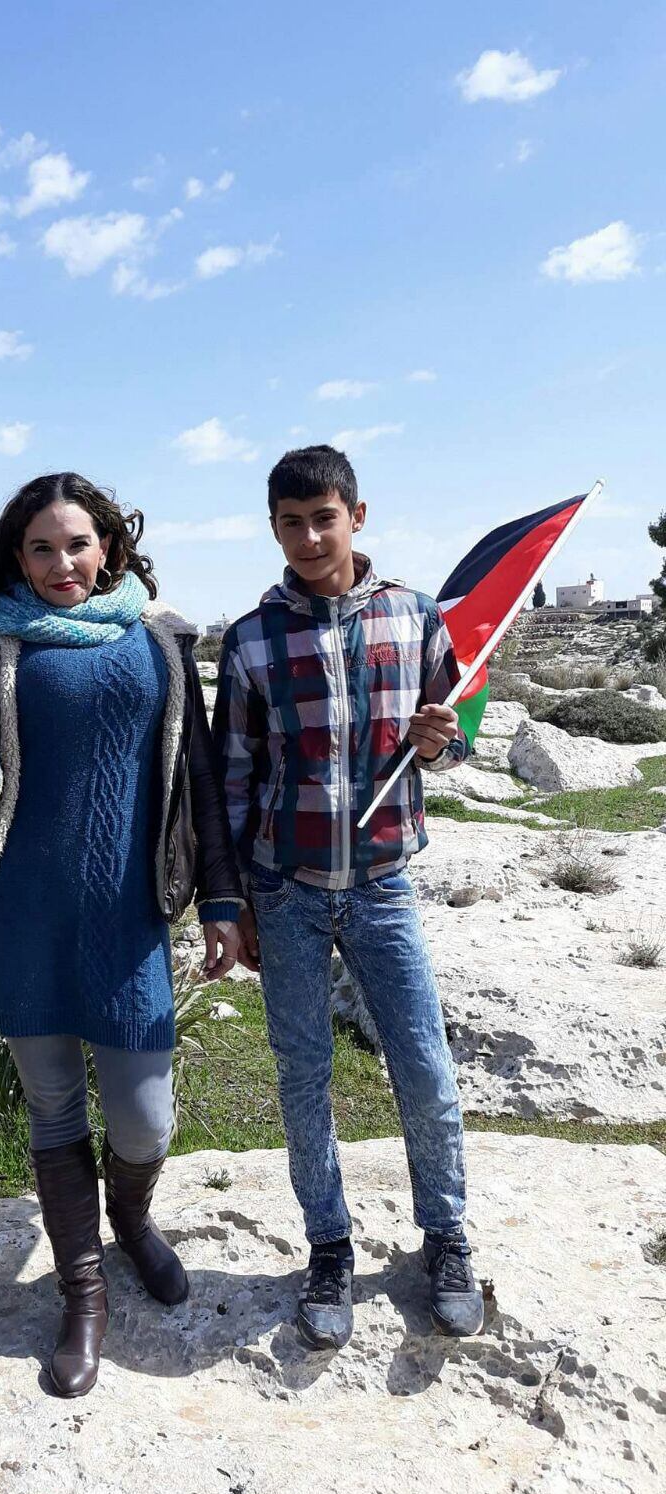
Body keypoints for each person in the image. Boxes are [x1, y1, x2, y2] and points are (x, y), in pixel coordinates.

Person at [0, 472, 242, 1399]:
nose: (61, 563)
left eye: (77, 544)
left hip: (127, 918)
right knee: (54, 1107)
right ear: (17, 557)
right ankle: (84, 1292)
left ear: (108, 545)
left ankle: (133, 1219)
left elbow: (199, 778)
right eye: (41, 548)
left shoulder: (162, 642)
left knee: (145, 1118)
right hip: (22, 915)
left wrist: (222, 900)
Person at [211, 444, 485, 1351]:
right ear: (273, 528)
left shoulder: (414, 615)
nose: (309, 537)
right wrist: (237, 900)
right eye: (290, 523)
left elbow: (458, 734)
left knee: (424, 1064)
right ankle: (328, 1246)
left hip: (381, 883)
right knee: (303, 1073)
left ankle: (446, 1237)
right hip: (286, 888)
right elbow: (235, 776)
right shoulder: (251, 639)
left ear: (356, 517)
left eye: (323, 518)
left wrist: (441, 740)